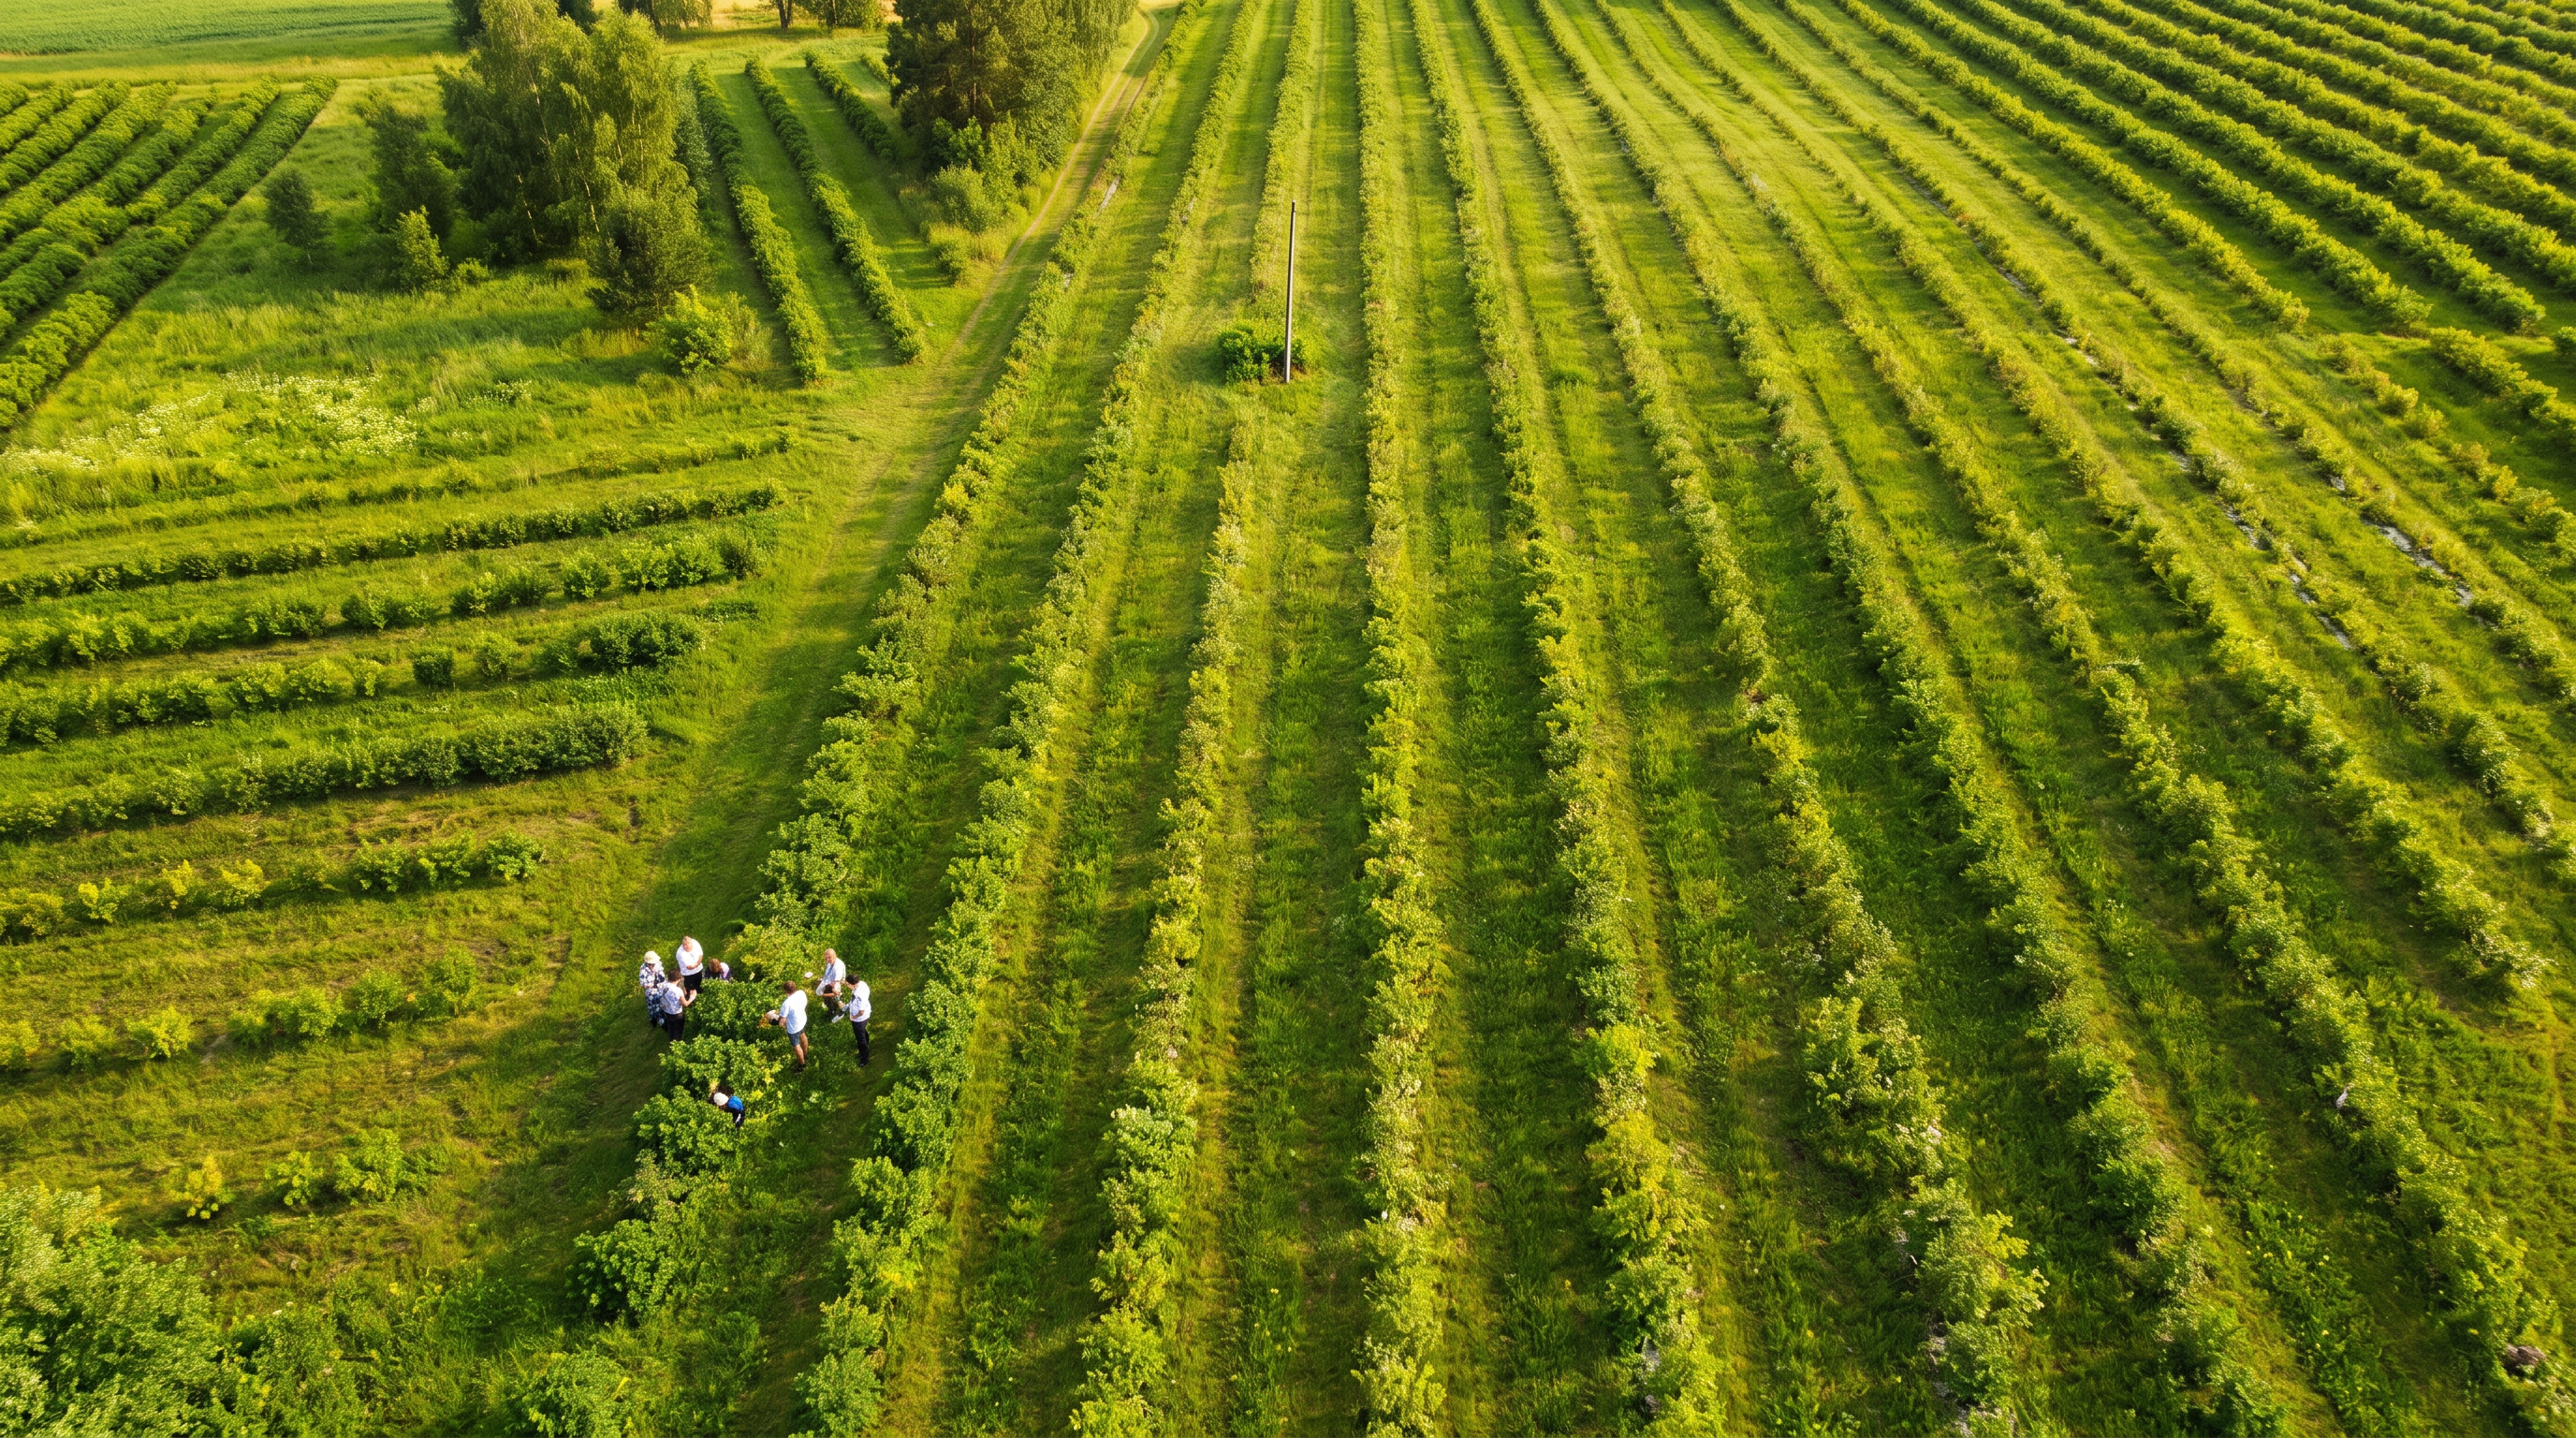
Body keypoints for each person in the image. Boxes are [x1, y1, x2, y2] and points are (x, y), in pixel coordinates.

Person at [764, 980, 810, 1070]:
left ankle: (802, 1065)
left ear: (786, 991)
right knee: (803, 1035)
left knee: (796, 1045)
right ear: (794, 987)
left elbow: (782, 1021)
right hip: (802, 1019)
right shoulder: (801, 993)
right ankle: (805, 1054)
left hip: (794, 1027)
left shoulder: (787, 1003)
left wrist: (772, 1021)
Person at [843, 970, 871, 1065]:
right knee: (862, 1031)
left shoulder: (860, 994)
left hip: (860, 1018)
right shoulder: (861, 983)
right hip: (862, 1014)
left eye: (847, 984)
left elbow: (861, 1011)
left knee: (860, 1038)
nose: (846, 985)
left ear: (853, 984)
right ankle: (867, 1043)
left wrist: (853, 1017)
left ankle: (864, 1058)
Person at [651, 975, 687, 1042]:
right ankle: (678, 1042)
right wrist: (692, 996)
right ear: (678, 979)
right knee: (678, 1029)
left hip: (667, 1011)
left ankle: (672, 1041)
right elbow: (685, 1003)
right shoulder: (678, 990)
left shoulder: (663, 986)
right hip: (677, 1013)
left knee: (671, 1027)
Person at [676, 936, 706, 1005]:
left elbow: (701, 955)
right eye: (684, 946)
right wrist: (695, 966)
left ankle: (701, 997)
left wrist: (697, 964)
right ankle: (691, 1001)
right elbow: (689, 967)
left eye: (688, 946)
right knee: (689, 987)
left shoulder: (696, 944)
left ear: (691, 944)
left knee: (699, 984)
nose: (686, 947)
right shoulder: (681, 953)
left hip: (698, 969)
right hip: (687, 973)